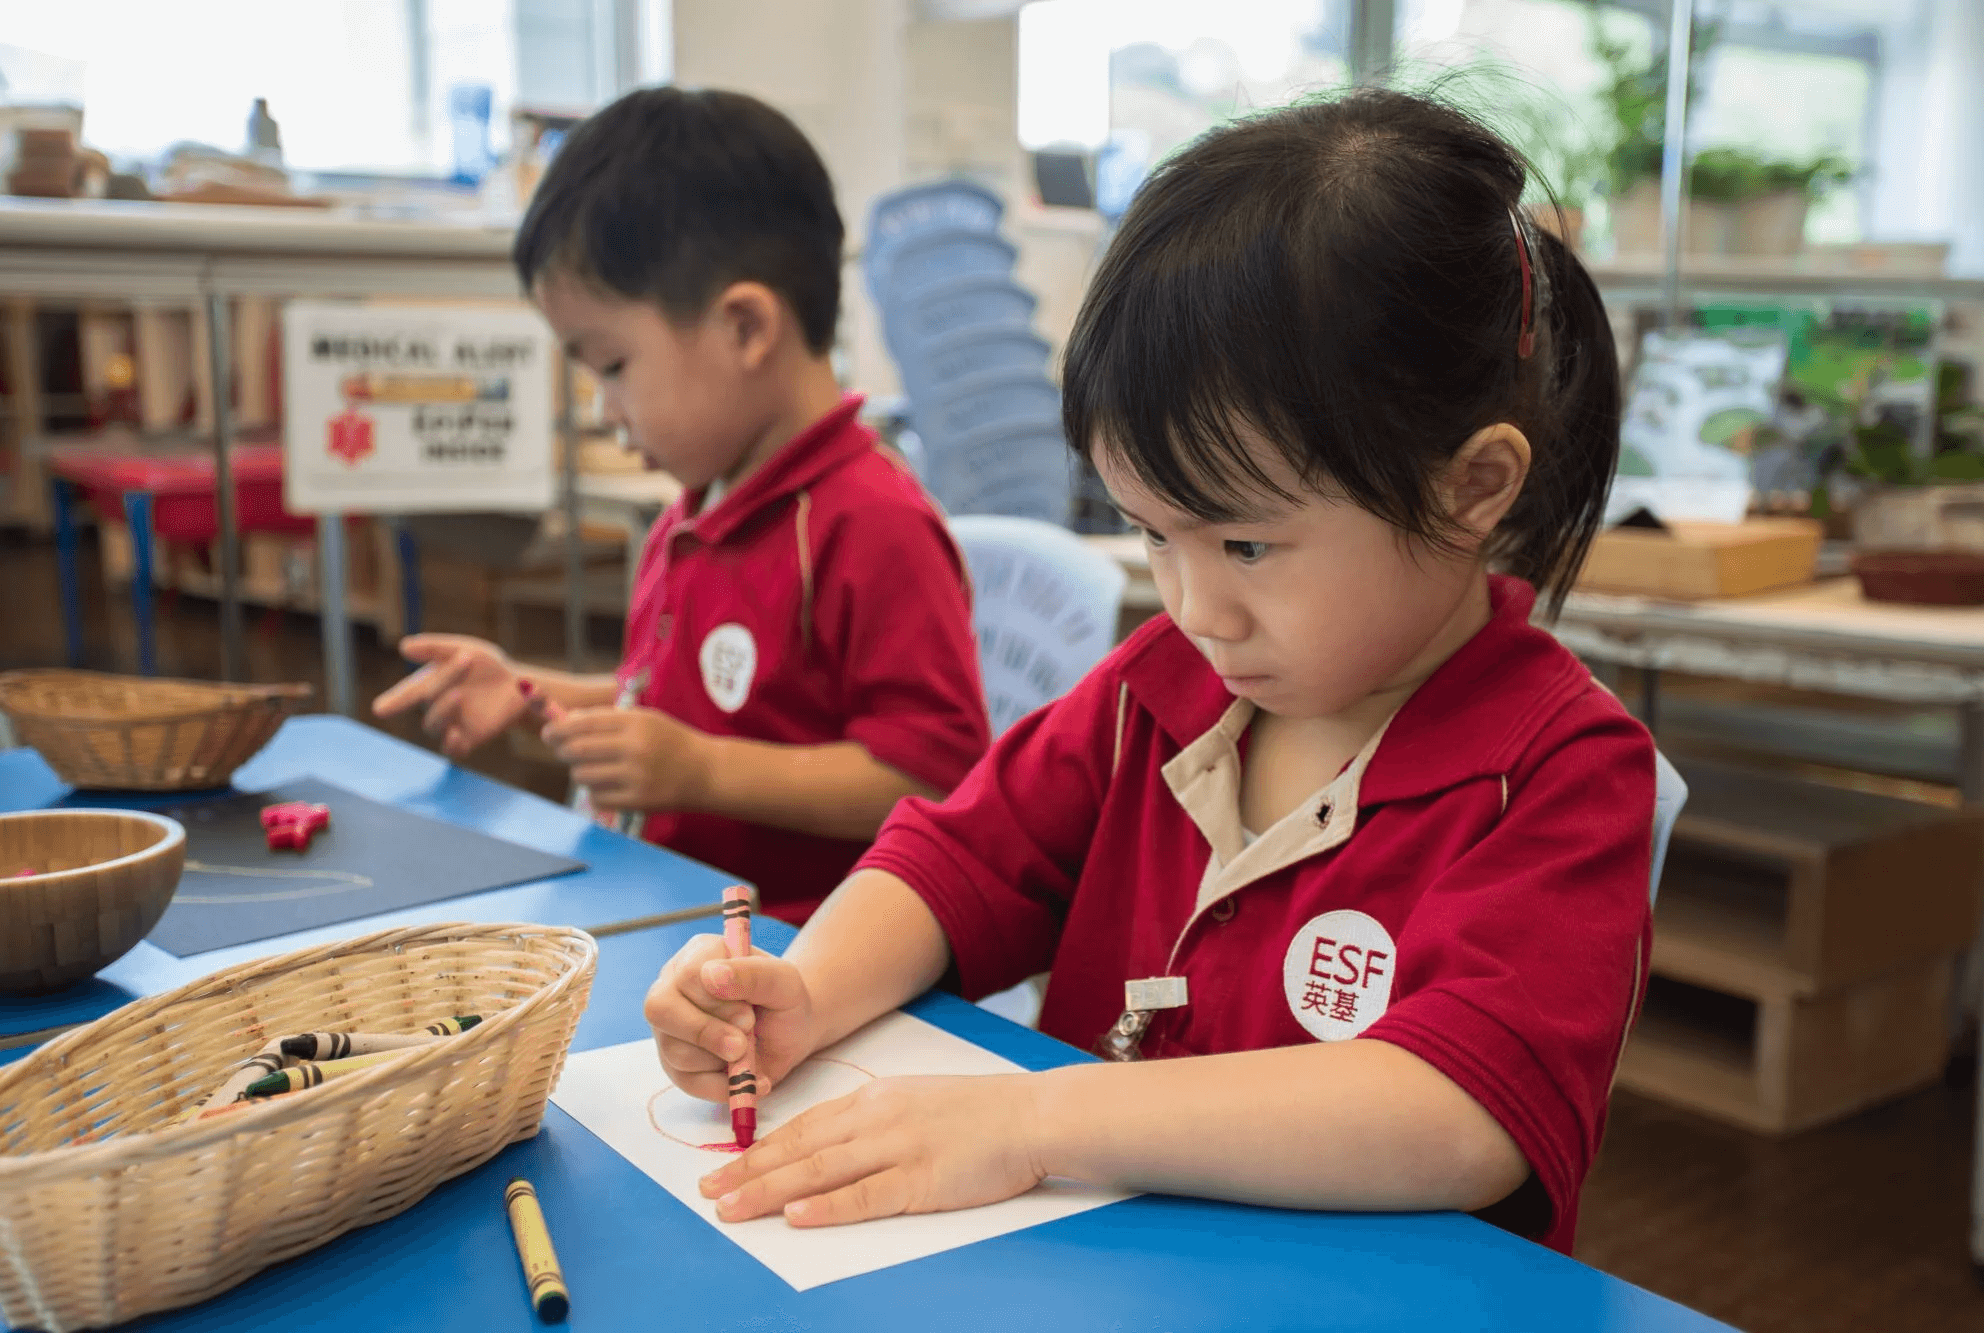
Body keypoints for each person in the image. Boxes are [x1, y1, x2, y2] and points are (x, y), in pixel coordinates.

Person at [644, 88, 1654, 1253]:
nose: (1193, 604)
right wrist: (805, 993)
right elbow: (957, 854)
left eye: (1244, 544)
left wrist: (1032, 1119)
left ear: (1470, 487)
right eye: (1150, 534)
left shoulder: (1559, 772)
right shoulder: (1159, 690)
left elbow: (1457, 1111)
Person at [372, 88, 990, 925]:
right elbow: (670, 707)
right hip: (673, 920)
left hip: (799, 960)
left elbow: (935, 778)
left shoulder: (868, 523)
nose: (603, 409)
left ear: (744, 328)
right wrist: (533, 691)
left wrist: (700, 773)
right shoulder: (698, 510)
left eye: (613, 365)